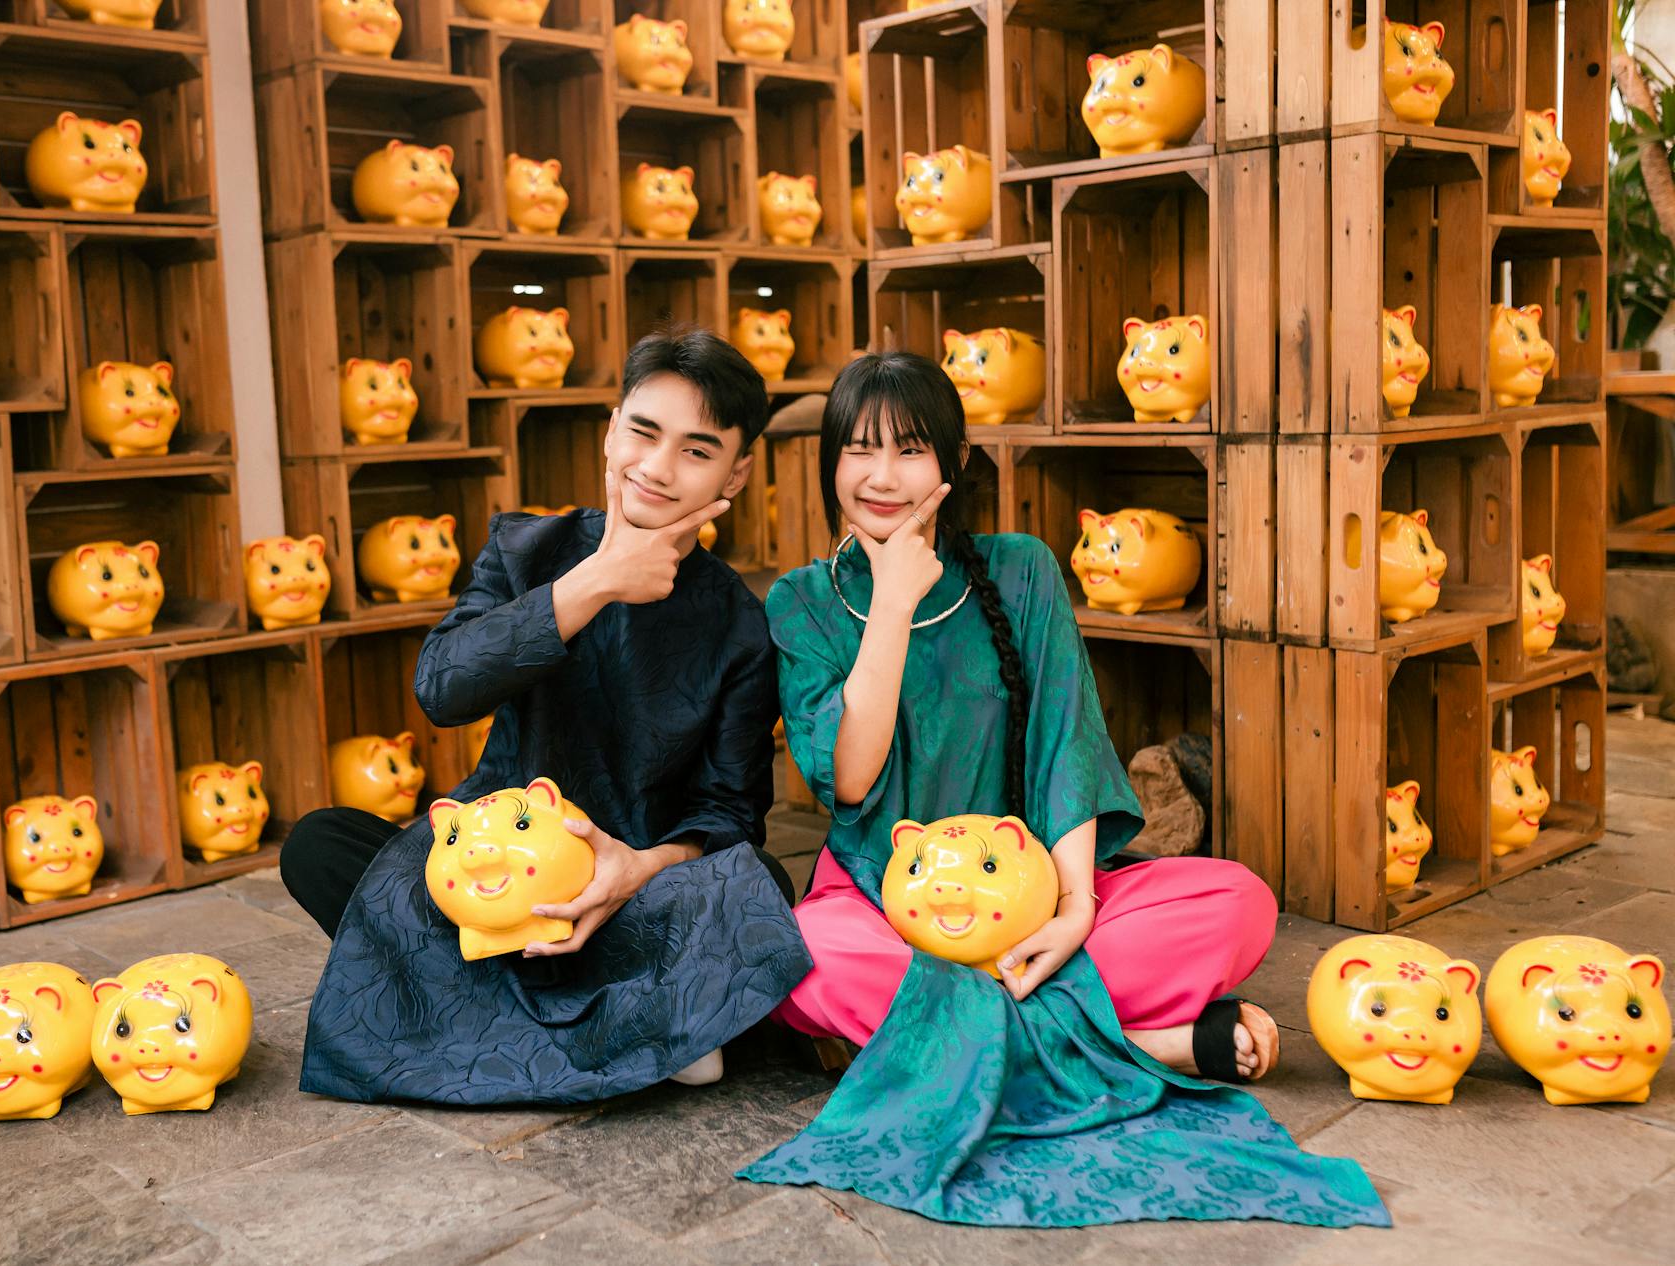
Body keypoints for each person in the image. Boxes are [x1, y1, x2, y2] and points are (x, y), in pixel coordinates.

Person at [737, 352, 1387, 1230]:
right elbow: (849, 777)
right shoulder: (804, 600)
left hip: (1032, 906)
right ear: (829, 462)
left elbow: (1064, 747)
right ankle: (1145, 1048)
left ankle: (931, 1051)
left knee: (1236, 902)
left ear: (955, 464)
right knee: (804, 953)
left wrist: (1076, 908)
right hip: (886, 911)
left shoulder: (1023, 570)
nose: (882, 477)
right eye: (858, 450)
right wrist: (891, 601)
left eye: (910, 450)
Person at [287, 327, 812, 1105]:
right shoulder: (526, 549)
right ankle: (645, 1026)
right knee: (318, 844)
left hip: (630, 897)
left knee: (758, 882)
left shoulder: (741, 624)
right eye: (643, 432)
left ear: (735, 471)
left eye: (698, 451)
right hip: (490, 876)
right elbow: (441, 688)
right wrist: (594, 581)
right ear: (611, 431)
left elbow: (729, 814)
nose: (659, 468)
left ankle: (482, 1008)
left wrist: (635, 870)